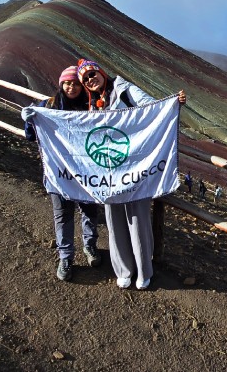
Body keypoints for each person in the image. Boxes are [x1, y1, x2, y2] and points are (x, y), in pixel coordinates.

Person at [77, 58, 186, 290]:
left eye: (92, 74)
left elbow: (151, 108)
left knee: (137, 218)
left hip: (135, 168)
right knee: (114, 218)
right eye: (85, 79)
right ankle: (124, 270)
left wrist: (174, 103)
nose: (90, 80)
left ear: (101, 72)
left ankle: (144, 270)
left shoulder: (124, 90)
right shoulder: (92, 103)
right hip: (107, 171)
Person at [23, 66, 101, 282]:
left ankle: (90, 245)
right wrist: (29, 121)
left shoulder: (92, 106)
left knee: (90, 210)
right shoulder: (48, 106)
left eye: (76, 83)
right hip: (60, 172)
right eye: (68, 83)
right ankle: (65, 257)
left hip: (87, 171)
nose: (72, 87)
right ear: (61, 84)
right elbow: (31, 136)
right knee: (63, 213)